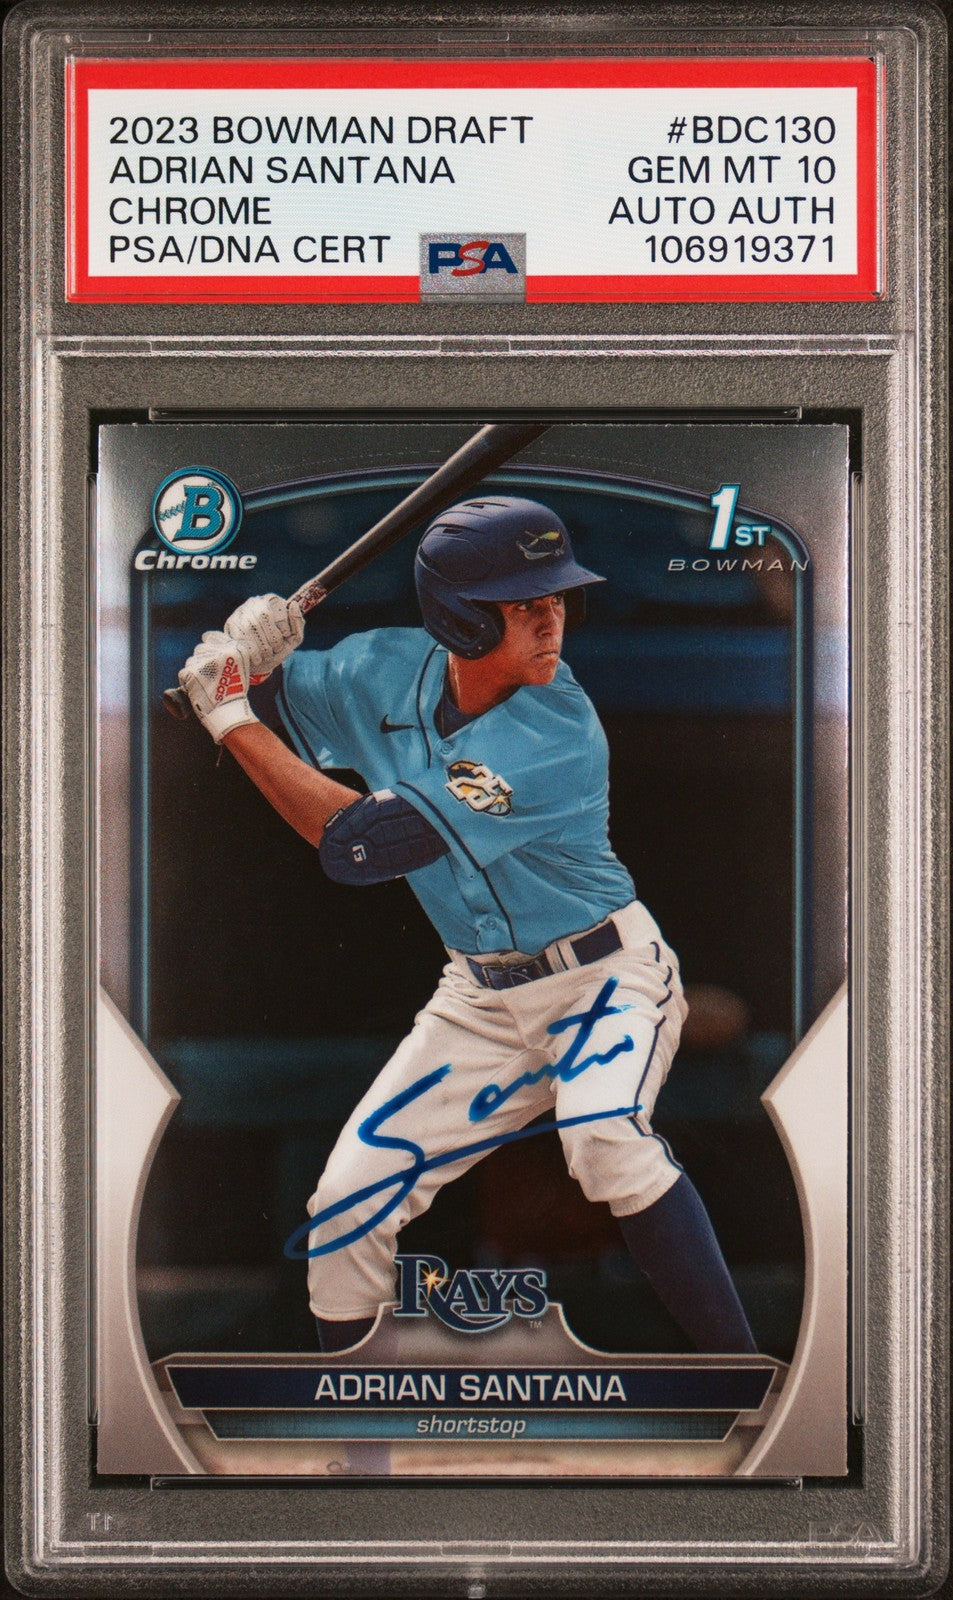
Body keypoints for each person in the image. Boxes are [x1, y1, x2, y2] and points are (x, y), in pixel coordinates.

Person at [179, 495, 756, 1356]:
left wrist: (230, 716)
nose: (551, 620)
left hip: (601, 979)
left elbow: (361, 847)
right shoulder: (376, 667)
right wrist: (250, 657)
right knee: (344, 1208)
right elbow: (239, 693)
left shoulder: (555, 730)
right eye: (524, 605)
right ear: (460, 618)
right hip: (477, 998)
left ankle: (741, 1375)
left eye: (556, 598)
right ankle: (359, 1424)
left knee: (604, 1139)